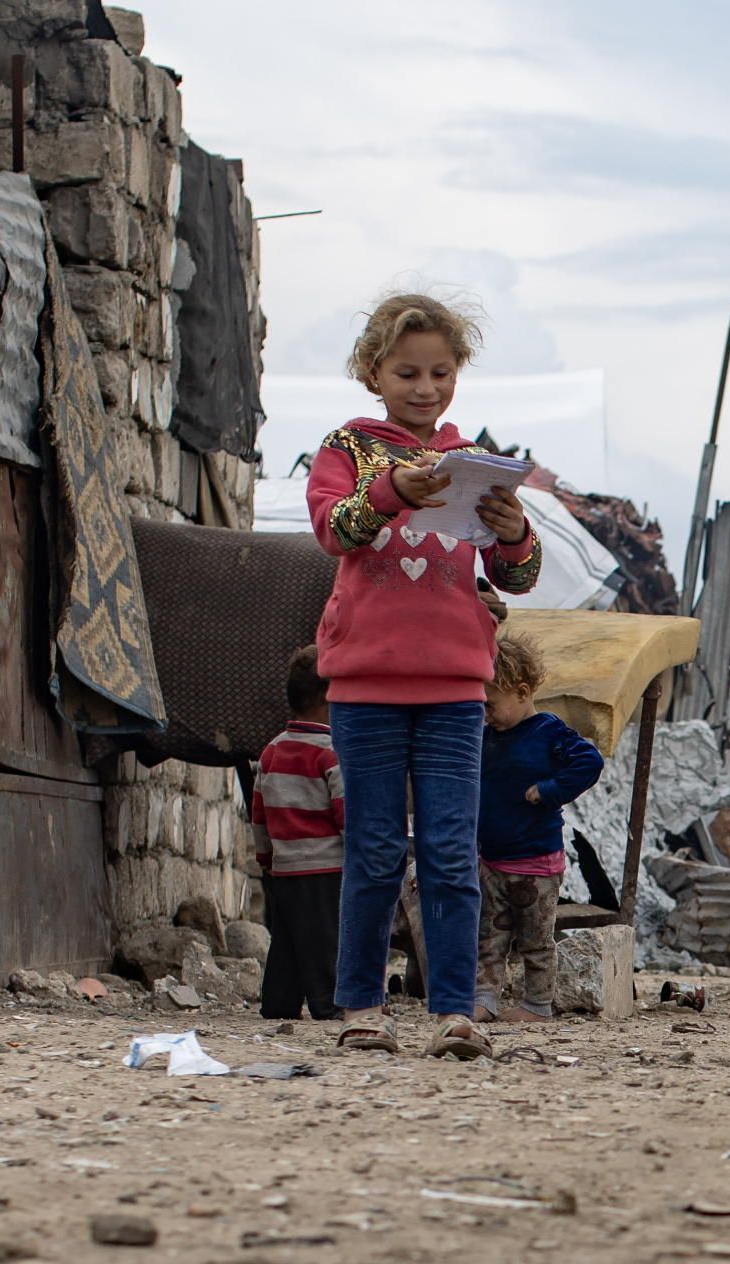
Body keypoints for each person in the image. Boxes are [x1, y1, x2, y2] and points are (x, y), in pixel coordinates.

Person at [307, 290, 542, 1060]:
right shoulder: (347, 450)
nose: (426, 388)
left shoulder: (472, 461)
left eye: (441, 372)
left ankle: (455, 1012)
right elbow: (333, 531)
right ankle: (362, 1009)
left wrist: (514, 534)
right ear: (374, 372)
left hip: (453, 687)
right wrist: (391, 491)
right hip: (367, 686)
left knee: (449, 848)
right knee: (374, 849)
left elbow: (519, 578)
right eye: (408, 372)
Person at [474, 635, 604, 1023]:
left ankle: (537, 1004)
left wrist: (549, 791)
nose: (487, 715)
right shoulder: (486, 736)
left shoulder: (547, 732)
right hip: (493, 860)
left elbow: (589, 761)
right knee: (490, 938)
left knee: (535, 940)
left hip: (536, 864)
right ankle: (485, 999)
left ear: (522, 692)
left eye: (491, 705)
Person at [252, 646, 347, 1021]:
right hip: (325, 868)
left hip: (284, 867)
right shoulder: (332, 753)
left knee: (287, 939)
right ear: (328, 698)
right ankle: (329, 1004)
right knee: (326, 938)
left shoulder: (271, 752)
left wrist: (265, 859)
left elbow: (258, 815)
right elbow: (346, 814)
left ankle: (278, 1002)